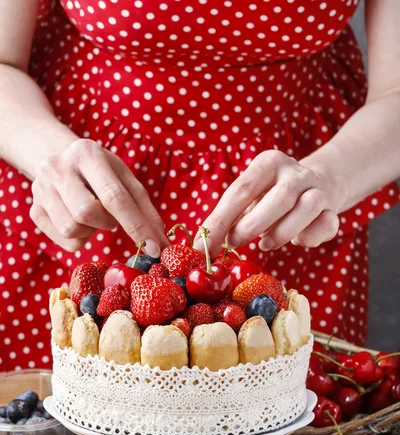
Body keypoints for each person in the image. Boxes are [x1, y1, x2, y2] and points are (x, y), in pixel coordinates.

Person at [0, 0, 399, 372]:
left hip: (290, 209)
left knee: (282, 429)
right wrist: (47, 152)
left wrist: (328, 177)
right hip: (88, 192)